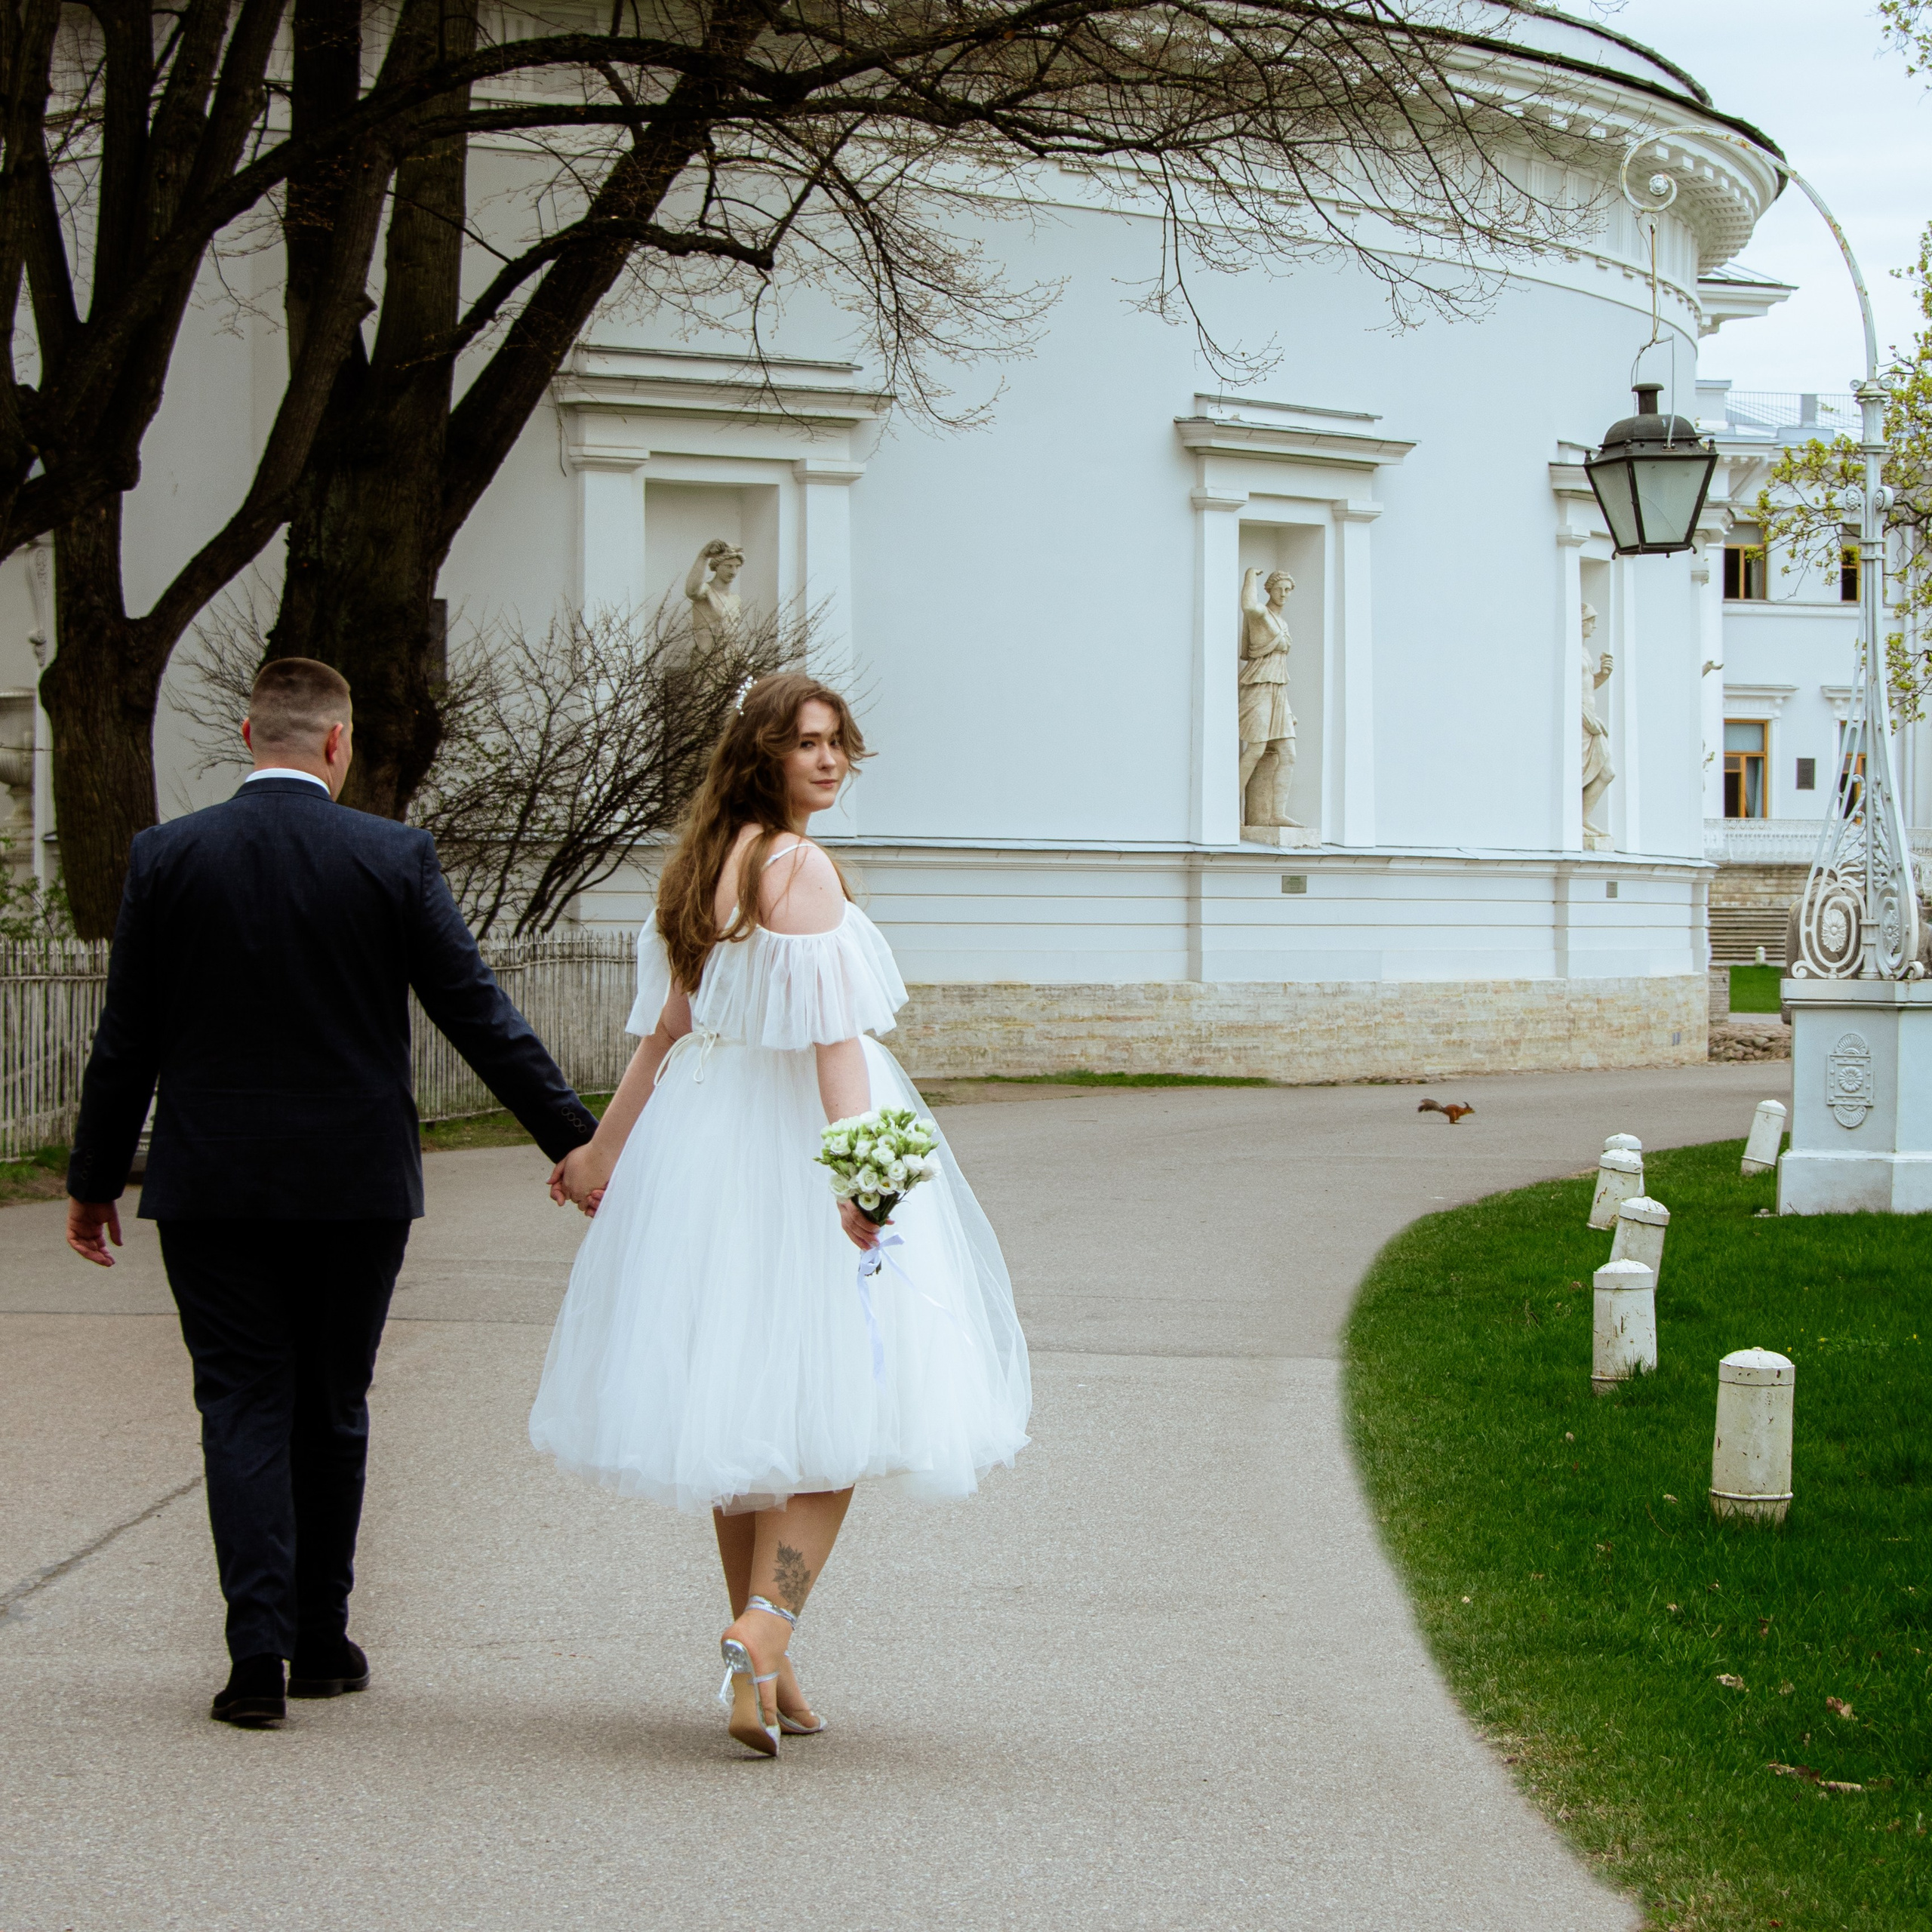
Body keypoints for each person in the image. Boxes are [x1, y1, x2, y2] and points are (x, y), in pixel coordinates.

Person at [64, 658, 598, 1730]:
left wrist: (90, 1181)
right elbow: (476, 1013)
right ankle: (322, 1637)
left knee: (240, 1402)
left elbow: (127, 1040)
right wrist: (580, 1145)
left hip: (210, 1183)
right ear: (338, 744)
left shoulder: (168, 857)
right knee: (332, 1403)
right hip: (356, 1188)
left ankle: (252, 1655)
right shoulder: (391, 855)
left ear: (251, 732)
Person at [531, 672, 1031, 1757]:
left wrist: (601, 1153)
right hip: (787, 1147)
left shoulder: (702, 866)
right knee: (841, 1398)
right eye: (807, 743)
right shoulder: (797, 866)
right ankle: (764, 1626)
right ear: (762, 753)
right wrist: (865, 1177)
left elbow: (665, 1034)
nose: (830, 760)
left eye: (839, 742)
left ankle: (766, 1667)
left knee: (742, 1402)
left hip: (704, 1144)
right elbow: (835, 1043)